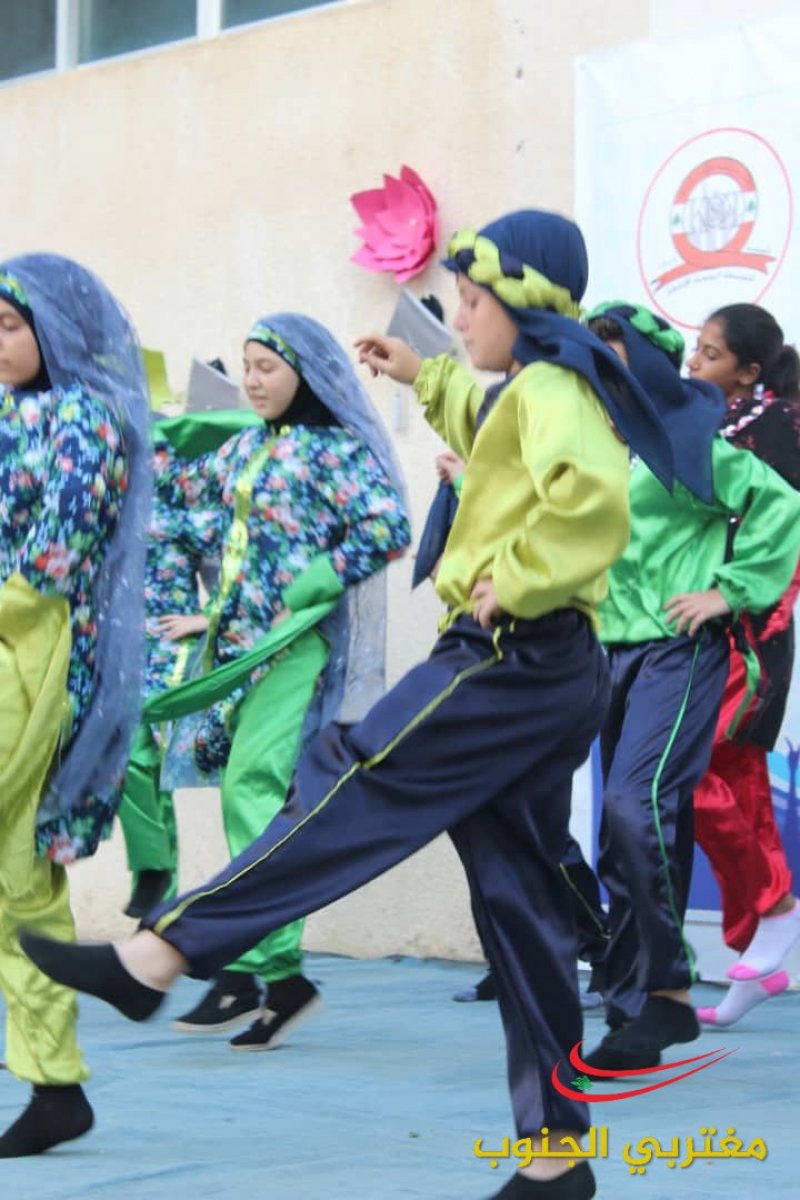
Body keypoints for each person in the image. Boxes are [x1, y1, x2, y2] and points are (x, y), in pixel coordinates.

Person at [22, 209, 683, 1200]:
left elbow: (589, 499)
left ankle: (162, 953)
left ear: (526, 299)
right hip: (540, 665)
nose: (458, 317)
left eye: (470, 301)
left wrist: (522, 576)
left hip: (508, 656)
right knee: (520, 906)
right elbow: (502, 437)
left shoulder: (555, 386)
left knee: (350, 775)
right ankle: (554, 1155)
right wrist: (427, 378)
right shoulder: (534, 387)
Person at [148, 314, 411, 1049]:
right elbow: (185, 485)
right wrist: (141, 434)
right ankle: (267, 973)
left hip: (294, 648)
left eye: (267, 366)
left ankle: (267, 963)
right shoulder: (246, 445)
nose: (253, 380)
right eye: (246, 366)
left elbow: (387, 526)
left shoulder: (335, 451)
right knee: (246, 792)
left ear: (306, 373)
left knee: (254, 788)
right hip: (237, 649)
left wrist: (314, 582)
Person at [583, 302, 800, 1073]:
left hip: (680, 649)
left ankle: (670, 988)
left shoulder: (688, 437)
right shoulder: (609, 441)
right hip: (611, 652)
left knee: (636, 803)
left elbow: (779, 505)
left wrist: (728, 592)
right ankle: (634, 1005)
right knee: (629, 829)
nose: (601, 373)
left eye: (615, 358)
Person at [0, 255, 150, 1155]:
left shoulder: (84, 420)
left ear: (57, 327)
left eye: (10, 323)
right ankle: (52, 1083)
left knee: (17, 870)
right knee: (13, 876)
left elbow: (55, 554)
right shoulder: (8, 413)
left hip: (37, 650)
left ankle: (54, 1084)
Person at [684, 305, 800, 1027]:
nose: (693, 362)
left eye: (710, 353)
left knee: (685, 771)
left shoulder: (778, 424)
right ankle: (754, 956)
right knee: (744, 795)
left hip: (751, 634)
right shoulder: (709, 422)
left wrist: (735, 599)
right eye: (695, 349)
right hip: (704, 628)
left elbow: (782, 535)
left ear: (749, 371)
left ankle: (777, 905)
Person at [118, 425, 228, 918]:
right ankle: (158, 890)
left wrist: (206, 618)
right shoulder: (105, 509)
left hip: (167, 653)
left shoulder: (185, 513)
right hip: (118, 654)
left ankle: (157, 891)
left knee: (141, 763)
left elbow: (236, 567)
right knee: (130, 767)